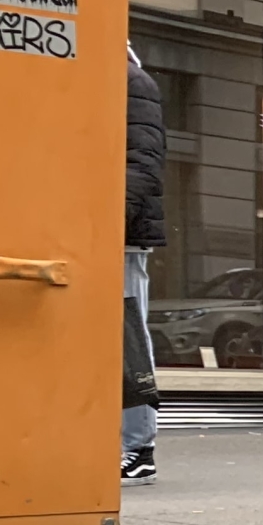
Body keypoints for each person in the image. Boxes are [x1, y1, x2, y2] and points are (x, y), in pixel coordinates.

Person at [122, 44, 167, 485]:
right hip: (88, 233)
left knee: (127, 339)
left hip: (122, 238)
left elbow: (143, 161)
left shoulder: (133, 83)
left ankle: (138, 448)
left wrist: (111, 221)